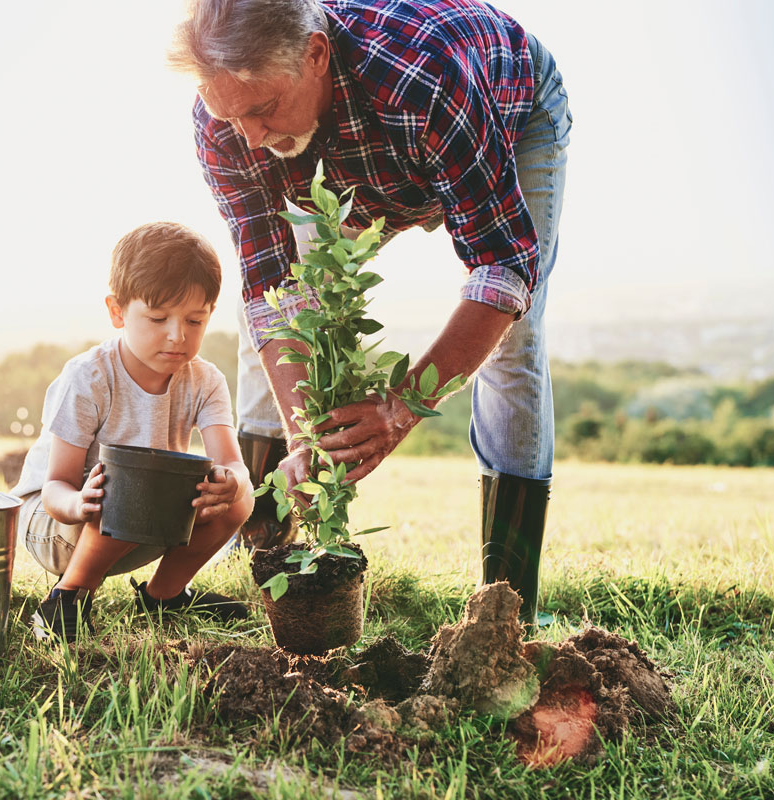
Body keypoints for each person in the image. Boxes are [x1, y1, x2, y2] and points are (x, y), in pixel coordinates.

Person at [168, 0, 571, 625]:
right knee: (283, 319)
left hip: (503, 116)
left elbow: (502, 269)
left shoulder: (426, 80)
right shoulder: (227, 121)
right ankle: (266, 558)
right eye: (229, 114)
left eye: (262, 108)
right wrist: (308, 433)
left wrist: (398, 409)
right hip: (361, 156)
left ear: (316, 56)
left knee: (514, 342)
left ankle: (506, 607)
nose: (246, 136)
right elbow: (270, 288)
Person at [12, 222, 255, 642]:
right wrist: (79, 503)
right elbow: (54, 487)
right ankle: (66, 600)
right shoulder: (88, 377)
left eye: (195, 321)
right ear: (117, 311)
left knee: (241, 494)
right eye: (158, 318)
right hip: (59, 525)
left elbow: (234, 463)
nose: (177, 335)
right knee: (133, 481)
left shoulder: (206, 380)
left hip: (143, 520)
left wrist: (232, 482)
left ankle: (164, 597)